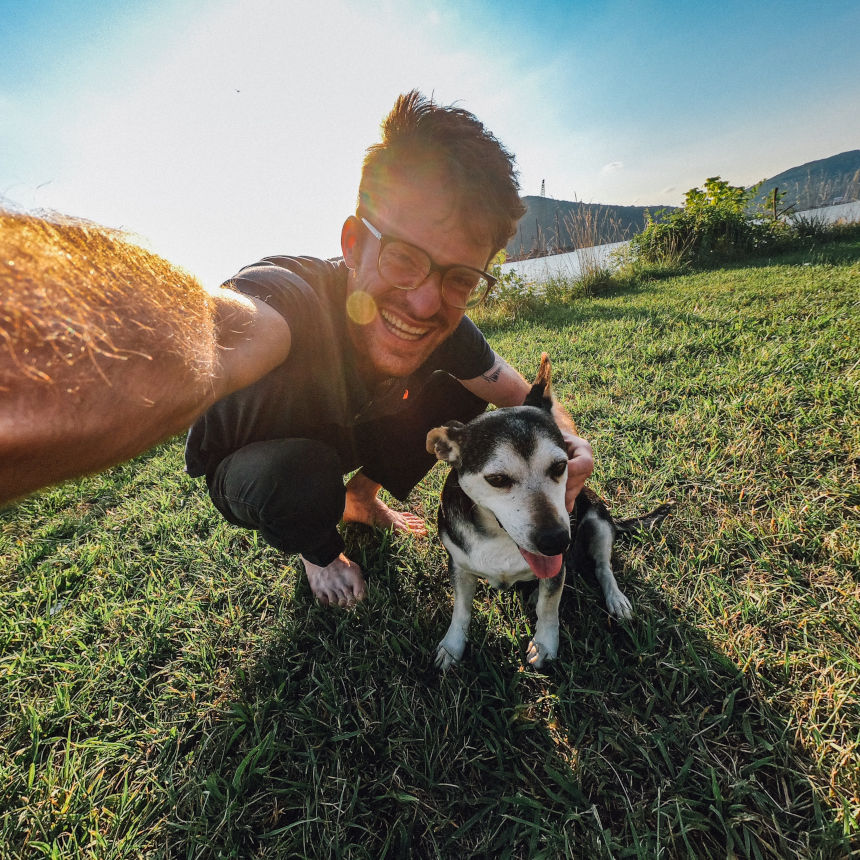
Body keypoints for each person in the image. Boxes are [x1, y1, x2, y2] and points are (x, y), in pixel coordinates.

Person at [1, 91, 593, 608]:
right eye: (403, 258)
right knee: (302, 475)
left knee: (451, 403)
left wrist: (569, 441)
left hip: (343, 429)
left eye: (460, 278)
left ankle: (360, 497)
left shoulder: (444, 321)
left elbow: (522, 397)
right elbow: (209, 326)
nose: (424, 303)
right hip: (252, 461)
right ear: (355, 243)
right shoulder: (287, 298)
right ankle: (318, 549)